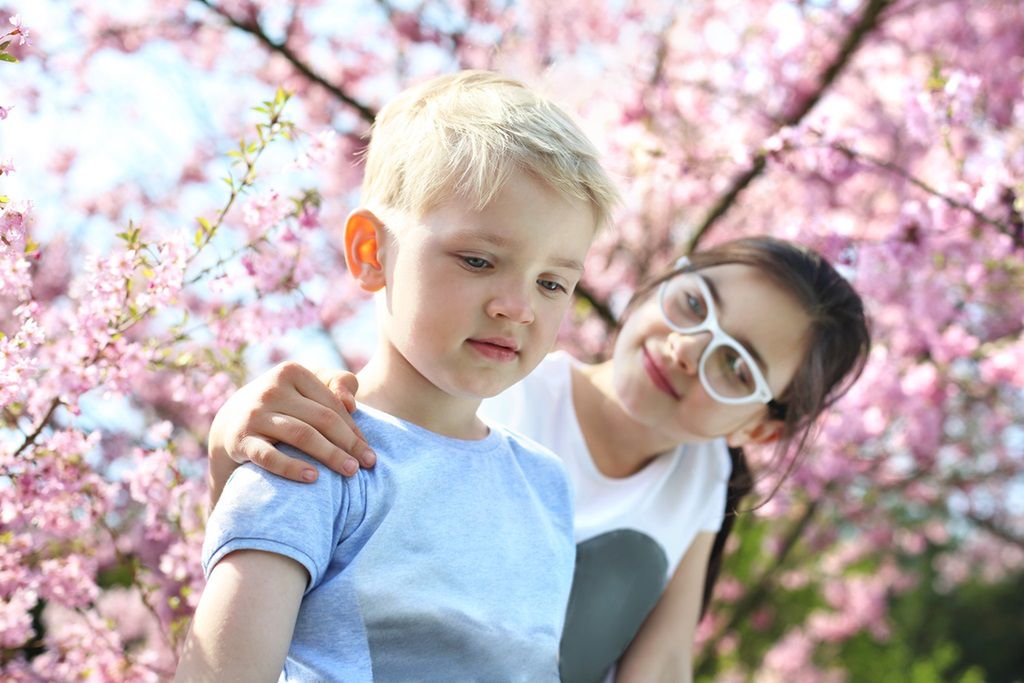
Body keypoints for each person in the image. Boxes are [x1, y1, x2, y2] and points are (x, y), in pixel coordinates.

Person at [207, 235, 871, 683]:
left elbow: (662, 660)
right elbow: (337, 484)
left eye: (735, 363)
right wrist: (232, 439)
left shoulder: (701, 476)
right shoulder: (503, 388)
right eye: (693, 305)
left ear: (762, 426)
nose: (688, 349)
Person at [175, 70, 619, 681]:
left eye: (552, 283)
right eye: (478, 260)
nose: (518, 307)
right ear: (371, 251)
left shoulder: (545, 486)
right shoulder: (318, 449)